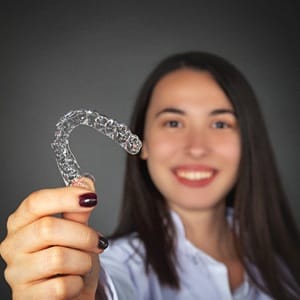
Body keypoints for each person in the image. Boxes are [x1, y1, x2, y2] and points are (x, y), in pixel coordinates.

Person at [0, 52, 299, 300]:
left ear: (248, 141)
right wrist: (83, 289)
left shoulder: (285, 262)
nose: (196, 148)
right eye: (172, 123)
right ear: (142, 143)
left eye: (220, 124)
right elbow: (106, 287)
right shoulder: (119, 268)